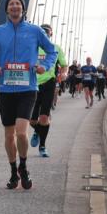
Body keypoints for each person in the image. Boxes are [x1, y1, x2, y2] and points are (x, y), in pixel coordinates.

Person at [0, 0, 56, 190]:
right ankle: (13, 171)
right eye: (11, 4)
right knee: (8, 136)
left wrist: (44, 66)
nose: (15, 6)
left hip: (27, 89)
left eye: (18, 4)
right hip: (5, 90)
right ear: (7, 10)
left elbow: (52, 51)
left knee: (21, 133)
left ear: (23, 9)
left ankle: (23, 167)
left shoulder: (34, 31)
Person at [29, 23, 65, 158]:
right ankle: (38, 131)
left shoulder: (56, 48)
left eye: (47, 32)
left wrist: (64, 73)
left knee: (44, 117)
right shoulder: (32, 47)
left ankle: (42, 146)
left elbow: (64, 65)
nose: (44, 33)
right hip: (33, 85)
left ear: (51, 34)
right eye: (42, 31)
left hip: (49, 84)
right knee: (32, 121)